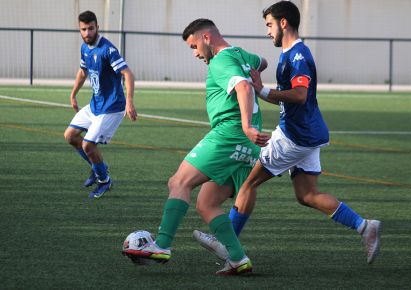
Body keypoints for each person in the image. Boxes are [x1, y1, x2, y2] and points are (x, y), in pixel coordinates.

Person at [194, 1, 382, 265]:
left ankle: (227, 245)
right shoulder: (289, 54)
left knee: (248, 182)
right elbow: (289, 98)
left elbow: (300, 95)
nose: (268, 31)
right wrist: (263, 90)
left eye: (269, 25)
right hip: (307, 134)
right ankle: (365, 226)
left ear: (284, 23)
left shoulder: (298, 55)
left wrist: (262, 91)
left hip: (296, 135)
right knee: (307, 195)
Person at [122, 18, 270, 275]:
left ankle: (163, 245)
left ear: (206, 38)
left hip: (229, 134)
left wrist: (246, 124)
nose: (195, 54)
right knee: (206, 202)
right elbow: (262, 62)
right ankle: (237, 258)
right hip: (247, 148)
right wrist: (253, 73)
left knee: (178, 182)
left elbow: (244, 87)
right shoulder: (241, 55)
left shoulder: (222, 60)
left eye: (194, 46)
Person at [64, 10, 137, 198]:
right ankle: (98, 168)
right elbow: (82, 72)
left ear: (97, 27)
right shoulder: (84, 48)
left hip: (112, 107)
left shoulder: (108, 50)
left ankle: (105, 181)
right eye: (83, 29)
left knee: (88, 146)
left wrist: (129, 101)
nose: (87, 33)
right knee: (70, 136)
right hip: (95, 105)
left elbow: (127, 74)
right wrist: (73, 94)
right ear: (79, 30)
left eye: (91, 28)